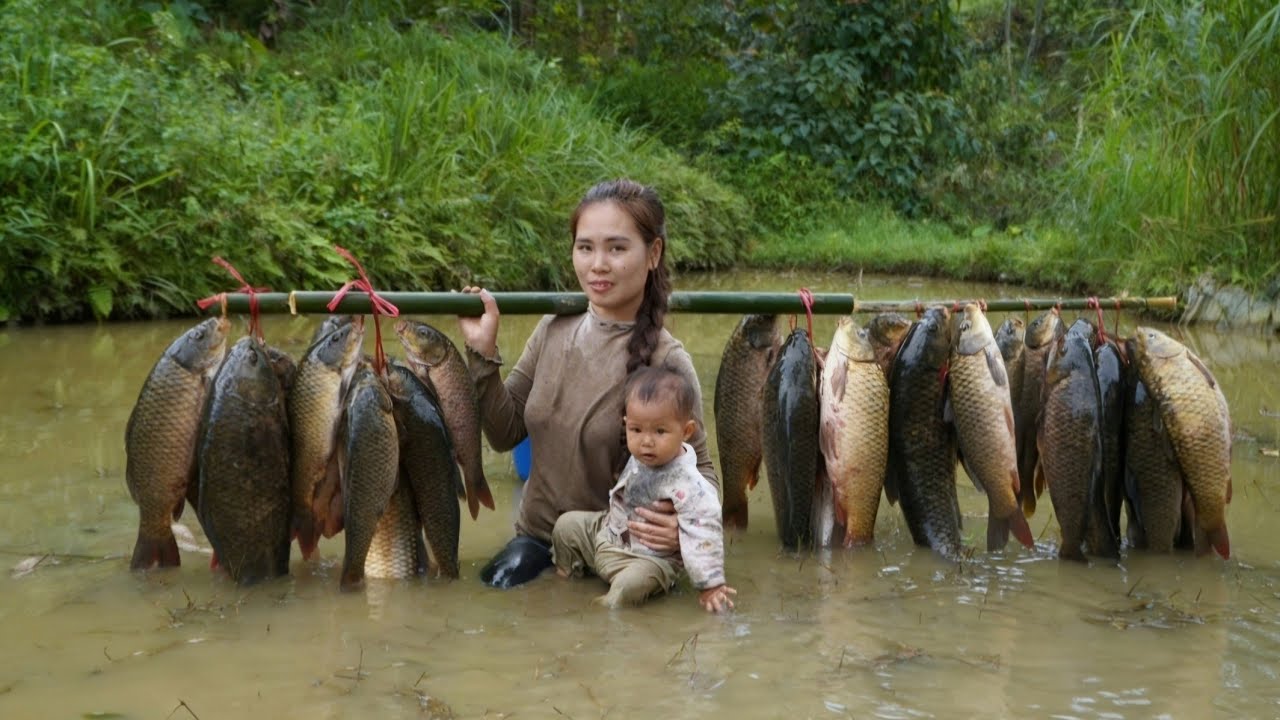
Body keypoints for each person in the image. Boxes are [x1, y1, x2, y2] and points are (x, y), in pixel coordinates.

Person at [458, 179, 719, 588]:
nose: (598, 264)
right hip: (535, 543)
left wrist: (681, 528)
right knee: (492, 593)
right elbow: (504, 433)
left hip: (617, 550)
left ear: (653, 254)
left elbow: (704, 476)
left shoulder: (667, 362)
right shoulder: (553, 328)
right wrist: (483, 354)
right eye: (585, 247)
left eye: (616, 248)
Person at [552, 367, 736, 611]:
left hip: (649, 559)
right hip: (609, 534)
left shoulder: (690, 483)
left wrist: (710, 585)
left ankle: (602, 613)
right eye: (636, 430)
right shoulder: (642, 452)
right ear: (626, 425)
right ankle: (564, 581)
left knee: (628, 587)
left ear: (686, 432)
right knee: (566, 526)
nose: (646, 441)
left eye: (660, 431)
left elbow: (706, 529)